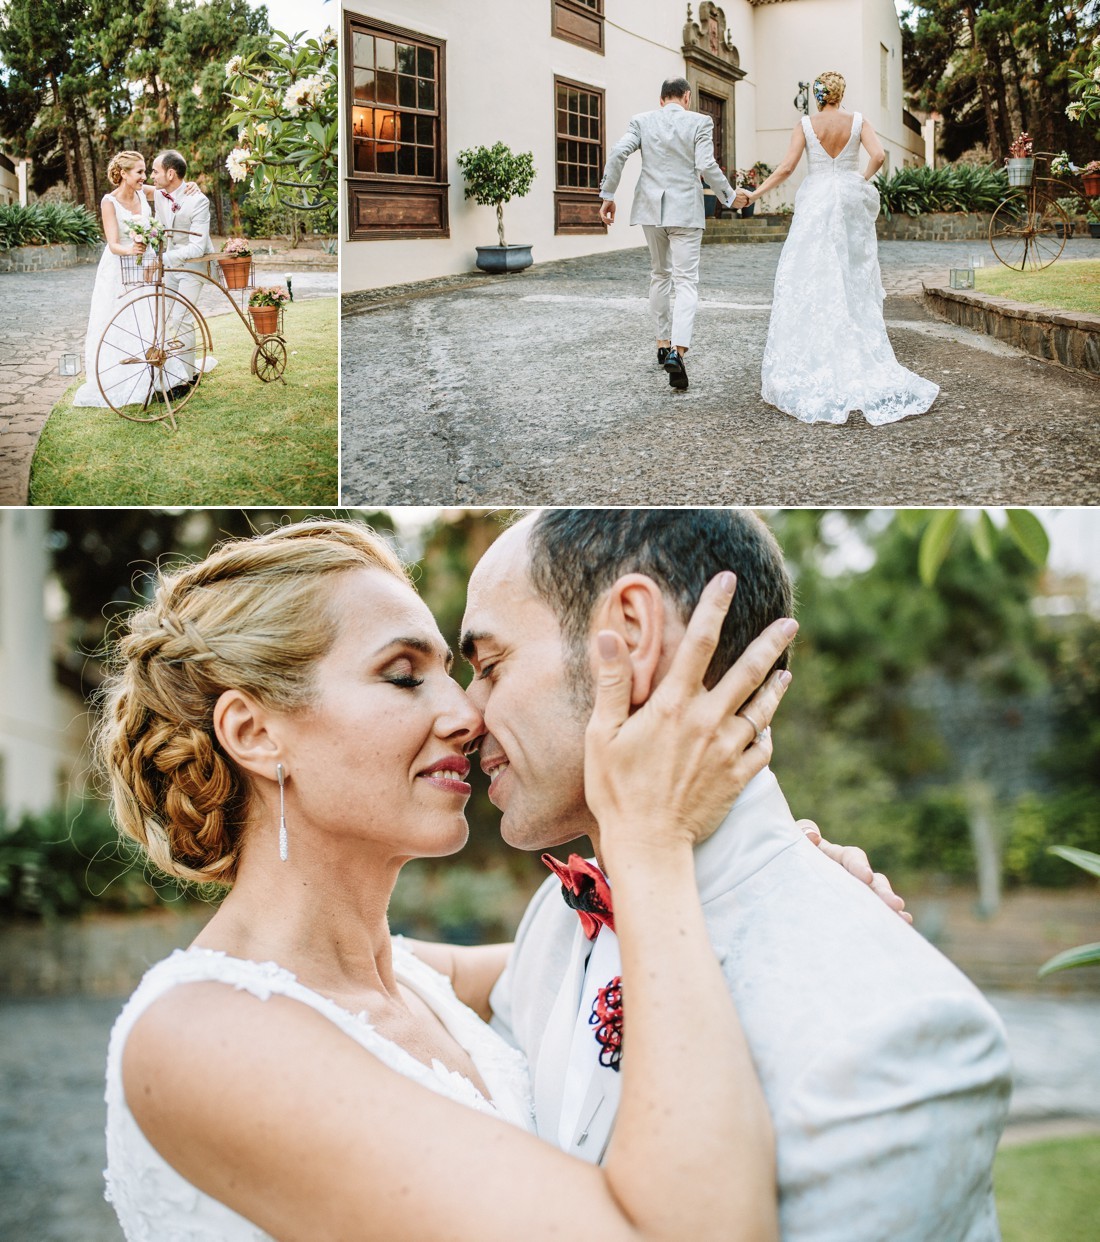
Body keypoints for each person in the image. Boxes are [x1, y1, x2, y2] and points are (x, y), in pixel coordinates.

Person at [98, 517, 794, 1242]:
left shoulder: (414, 977)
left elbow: (621, 948)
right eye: (403, 677)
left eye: (458, 675)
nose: (467, 713)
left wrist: (762, 866)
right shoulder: (203, 1039)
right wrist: (651, 842)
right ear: (254, 733)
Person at [460, 509, 1012, 1240]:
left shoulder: (894, 1032)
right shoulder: (559, 917)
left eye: (490, 665)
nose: (467, 715)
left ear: (628, 635)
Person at [746, 72, 940, 424]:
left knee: (811, 272)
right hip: (849, 201)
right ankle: (855, 344)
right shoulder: (858, 120)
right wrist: (859, 180)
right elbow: (879, 155)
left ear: (818, 96)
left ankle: (818, 351)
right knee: (852, 274)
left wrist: (755, 194)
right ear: (841, 93)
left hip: (817, 200)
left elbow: (788, 167)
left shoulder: (805, 124)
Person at [599, 78, 748, 392]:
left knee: (659, 274)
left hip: (651, 210)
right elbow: (706, 163)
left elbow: (617, 152)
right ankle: (678, 352)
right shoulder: (700, 122)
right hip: (685, 211)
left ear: (661, 99)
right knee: (685, 281)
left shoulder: (641, 121)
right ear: (687, 97)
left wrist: (608, 195)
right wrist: (730, 197)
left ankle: (662, 343)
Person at [72, 152, 156, 409]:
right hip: (119, 267)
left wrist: (189, 185)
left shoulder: (144, 193)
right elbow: (113, 244)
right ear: (123, 174)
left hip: (146, 266)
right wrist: (132, 249)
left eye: (145, 172)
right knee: (120, 318)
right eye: (139, 172)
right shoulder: (109, 202)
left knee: (147, 315)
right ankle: (121, 375)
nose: (145, 177)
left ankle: (152, 369)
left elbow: (168, 190)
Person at [149, 149, 218, 399]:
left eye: (155, 171)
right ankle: (181, 372)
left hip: (193, 267)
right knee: (166, 318)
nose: (152, 176)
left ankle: (183, 380)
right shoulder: (159, 195)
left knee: (182, 318)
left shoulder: (198, 200)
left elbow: (198, 246)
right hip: (170, 266)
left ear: (170, 173)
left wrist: (163, 258)